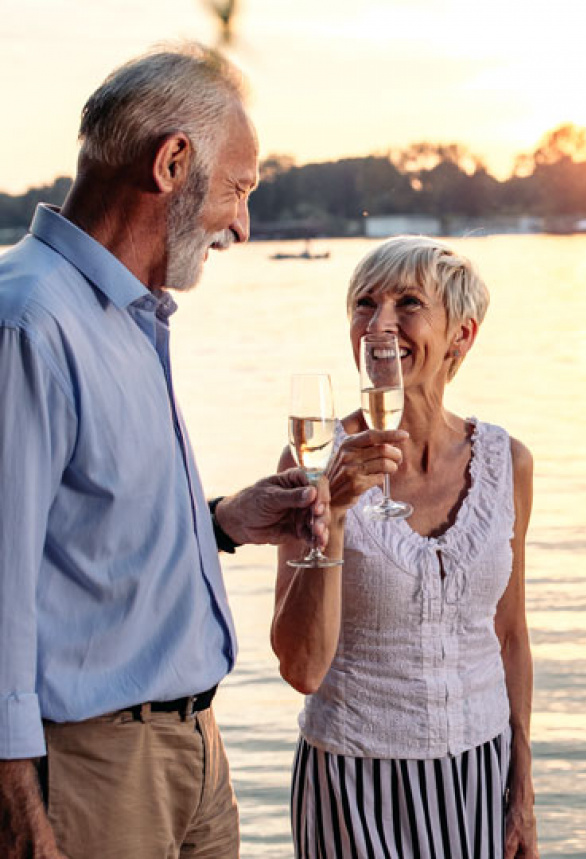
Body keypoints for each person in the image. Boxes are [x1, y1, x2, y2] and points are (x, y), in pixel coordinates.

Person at [0, 44, 329, 859]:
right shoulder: (28, 323)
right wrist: (19, 815)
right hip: (98, 775)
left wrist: (224, 520)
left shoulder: (128, 315)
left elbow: (83, 531)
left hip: (195, 756)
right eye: (240, 190)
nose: (243, 227)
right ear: (173, 161)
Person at [272, 235, 539, 858]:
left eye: (408, 303)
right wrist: (333, 513)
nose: (379, 324)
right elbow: (300, 668)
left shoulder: (507, 462)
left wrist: (522, 779)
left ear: (461, 336)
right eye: (365, 304)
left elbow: (511, 634)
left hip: (479, 771)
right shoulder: (313, 460)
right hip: (353, 779)